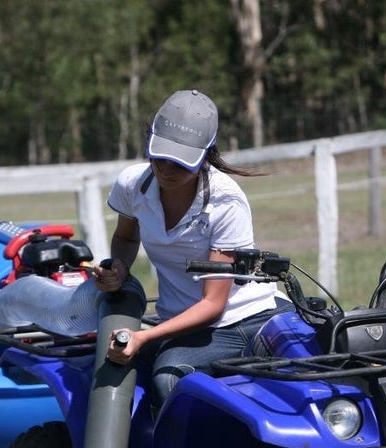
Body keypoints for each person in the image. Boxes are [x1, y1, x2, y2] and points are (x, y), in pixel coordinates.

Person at [93, 89, 289, 406]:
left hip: (238, 320)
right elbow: (127, 239)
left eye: (180, 163)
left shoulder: (227, 202)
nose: (166, 170)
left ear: (205, 156)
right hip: (181, 322)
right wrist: (119, 267)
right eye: (159, 158)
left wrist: (143, 337)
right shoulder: (132, 184)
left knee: (169, 378)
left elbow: (214, 304)